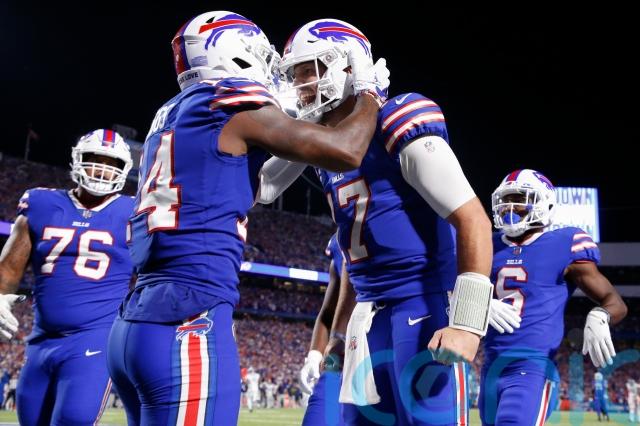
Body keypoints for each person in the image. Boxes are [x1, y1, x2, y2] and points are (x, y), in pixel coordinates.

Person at [105, 10, 388, 426]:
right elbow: (346, 150)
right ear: (231, 52)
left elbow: (263, 187)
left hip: (135, 324)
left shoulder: (175, 112)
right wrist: (369, 93)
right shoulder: (228, 100)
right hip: (187, 316)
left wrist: (305, 123)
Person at [260, 18, 494, 425]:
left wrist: (468, 325)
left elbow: (473, 219)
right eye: (295, 75)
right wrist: (337, 335)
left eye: (308, 71)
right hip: (366, 320)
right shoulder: (328, 150)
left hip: (421, 308)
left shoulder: (397, 120)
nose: (301, 85)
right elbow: (352, 255)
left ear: (349, 66)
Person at [0, 129, 134, 425]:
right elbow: (9, 266)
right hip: (41, 341)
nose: (101, 169)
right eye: (94, 160)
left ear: (124, 170)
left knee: (73, 419)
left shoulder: (133, 212)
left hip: (95, 339)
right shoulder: (41, 203)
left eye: (111, 164)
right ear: (77, 159)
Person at [478, 169, 627, 425]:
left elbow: (615, 302)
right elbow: (451, 292)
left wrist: (601, 314)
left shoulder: (565, 243)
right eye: (505, 199)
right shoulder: (486, 245)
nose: (509, 207)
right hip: (490, 367)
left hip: (532, 367)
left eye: (518, 199)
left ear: (544, 204)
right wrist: (477, 302)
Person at [299, 234, 345, 426]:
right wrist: (314, 355)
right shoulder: (339, 240)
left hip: (389, 352)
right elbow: (328, 312)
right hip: (340, 358)